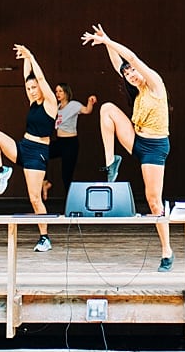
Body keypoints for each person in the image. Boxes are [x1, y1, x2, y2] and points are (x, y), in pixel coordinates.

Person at [82, 24, 174, 271]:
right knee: (107, 109)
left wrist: (109, 40)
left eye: (133, 72)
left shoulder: (154, 83)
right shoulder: (136, 91)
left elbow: (130, 58)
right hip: (137, 140)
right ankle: (112, 162)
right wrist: (105, 45)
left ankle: (166, 250)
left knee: (154, 200)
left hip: (154, 147)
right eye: (127, 75)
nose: (131, 75)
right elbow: (119, 65)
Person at [0, 45, 59, 252]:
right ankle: (2, 171)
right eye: (29, 89)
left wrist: (32, 56)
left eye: (34, 88)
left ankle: (45, 238)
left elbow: (39, 79)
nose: (32, 91)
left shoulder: (51, 103)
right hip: (23, 146)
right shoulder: (32, 102)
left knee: (34, 198)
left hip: (38, 153)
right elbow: (28, 77)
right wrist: (25, 58)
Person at [41, 84, 97, 201]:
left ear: (66, 92)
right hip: (59, 142)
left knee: (66, 175)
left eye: (60, 91)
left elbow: (87, 110)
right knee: (41, 152)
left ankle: (70, 201)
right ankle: (45, 182)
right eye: (56, 91)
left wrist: (90, 101)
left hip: (70, 143)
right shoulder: (57, 107)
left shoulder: (73, 105)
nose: (58, 94)